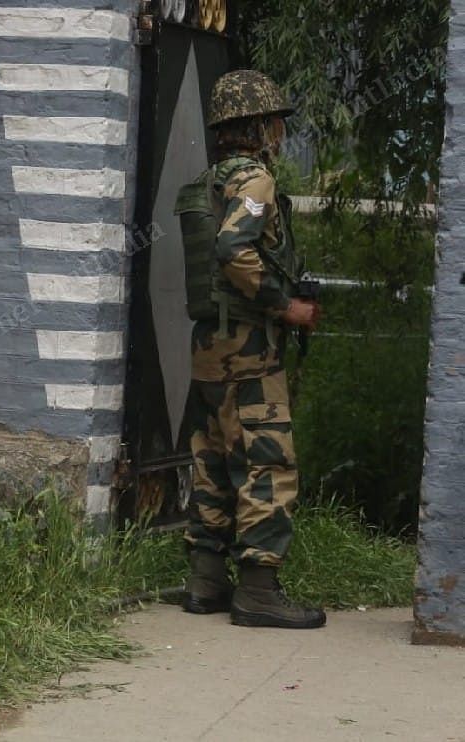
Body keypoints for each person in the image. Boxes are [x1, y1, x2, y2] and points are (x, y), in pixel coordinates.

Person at [180, 69, 326, 629]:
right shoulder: (255, 181)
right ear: (259, 125)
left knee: (213, 456)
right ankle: (259, 590)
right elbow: (232, 248)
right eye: (275, 123)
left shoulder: (210, 180)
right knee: (267, 459)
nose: (279, 134)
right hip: (248, 345)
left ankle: (206, 580)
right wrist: (284, 307)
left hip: (211, 343)